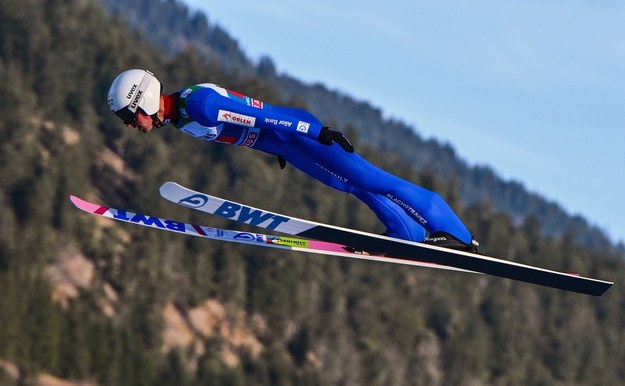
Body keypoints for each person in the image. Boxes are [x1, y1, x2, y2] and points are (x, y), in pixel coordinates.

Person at [107, 69, 482, 253]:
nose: (131, 125)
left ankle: (457, 235)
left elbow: (266, 115)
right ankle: (408, 232)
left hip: (298, 134)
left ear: (145, 100)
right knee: (348, 184)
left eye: (129, 116)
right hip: (288, 145)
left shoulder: (199, 106)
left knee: (374, 179)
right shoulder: (183, 117)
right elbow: (251, 128)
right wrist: (274, 149)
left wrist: (317, 132)